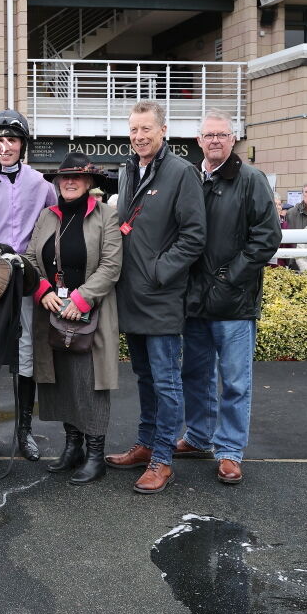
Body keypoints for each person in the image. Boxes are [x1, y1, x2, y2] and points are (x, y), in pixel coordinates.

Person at [105, 100, 206, 494]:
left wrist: (159, 271)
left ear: (163, 130)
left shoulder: (181, 173)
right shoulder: (128, 169)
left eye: (146, 129)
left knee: (166, 381)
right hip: (131, 294)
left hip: (162, 296)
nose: (139, 137)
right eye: (133, 130)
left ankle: (163, 460)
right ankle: (146, 445)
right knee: (144, 377)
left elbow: (194, 235)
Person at [178, 111, 281, 486]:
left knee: (235, 381)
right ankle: (199, 437)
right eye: (209, 135)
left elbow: (267, 238)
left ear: (233, 139)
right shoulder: (188, 177)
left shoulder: (251, 179)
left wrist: (228, 278)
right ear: (199, 140)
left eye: (222, 134)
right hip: (194, 300)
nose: (216, 140)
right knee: (195, 374)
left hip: (234, 301)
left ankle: (230, 451)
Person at [0, 110, 57, 463]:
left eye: (12, 140)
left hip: (28, 281)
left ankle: (24, 432)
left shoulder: (42, 185)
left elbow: (54, 227)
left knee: (27, 356)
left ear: (23, 145)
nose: (5, 147)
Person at [24, 153, 121, 485]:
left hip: (90, 312)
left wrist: (80, 299)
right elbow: (29, 258)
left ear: (89, 182)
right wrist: (42, 289)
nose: (69, 181)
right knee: (64, 380)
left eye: (77, 177)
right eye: (64, 177)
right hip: (53, 312)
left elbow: (111, 266)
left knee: (90, 383)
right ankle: (73, 447)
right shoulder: (47, 216)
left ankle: (96, 456)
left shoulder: (106, 216)